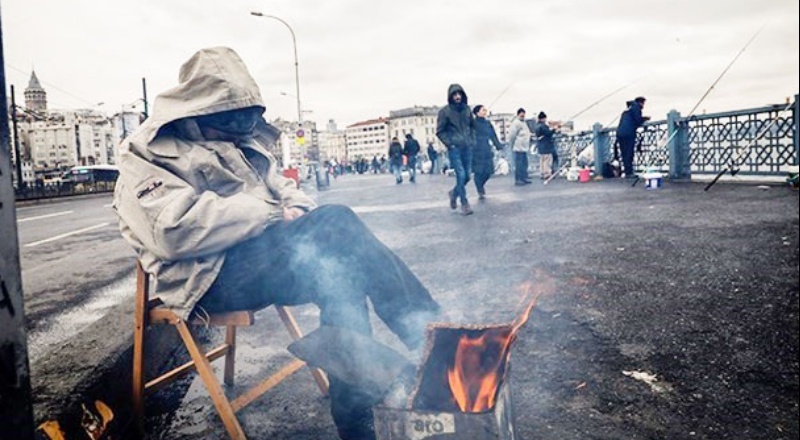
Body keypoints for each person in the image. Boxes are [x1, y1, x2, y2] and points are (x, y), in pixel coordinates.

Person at [112, 47, 440, 440]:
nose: (238, 128)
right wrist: (268, 214)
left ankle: (356, 420)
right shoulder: (147, 153)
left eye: (244, 117)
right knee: (336, 224)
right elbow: (172, 228)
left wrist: (290, 212)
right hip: (209, 277)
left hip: (267, 260)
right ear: (199, 108)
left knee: (340, 275)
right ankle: (434, 341)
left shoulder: (242, 144)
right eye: (230, 117)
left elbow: (292, 195)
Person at [436, 84, 476, 216]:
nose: (457, 97)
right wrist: (450, 144)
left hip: (467, 147)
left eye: (459, 94)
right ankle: (464, 203)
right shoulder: (444, 112)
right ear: (450, 97)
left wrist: (472, 141)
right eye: (454, 95)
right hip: (455, 148)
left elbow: (473, 127)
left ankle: (454, 193)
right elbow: (440, 131)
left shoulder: (467, 110)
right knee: (461, 175)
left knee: (467, 176)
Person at [471, 104, 504, 200]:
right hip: (476, 150)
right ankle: (480, 189)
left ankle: (481, 184)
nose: (485, 112)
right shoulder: (473, 123)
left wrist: (498, 145)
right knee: (479, 171)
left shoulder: (487, 123)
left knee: (488, 171)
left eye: (485, 110)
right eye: (483, 110)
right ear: (477, 113)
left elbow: (493, 135)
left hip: (486, 148)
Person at [616, 96, 650, 178]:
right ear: (640, 102)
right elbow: (637, 120)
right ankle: (629, 173)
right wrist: (645, 119)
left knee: (624, 153)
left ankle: (627, 172)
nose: (643, 106)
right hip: (628, 133)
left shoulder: (627, 111)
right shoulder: (636, 108)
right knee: (629, 153)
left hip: (620, 133)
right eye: (643, 103)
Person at [508, 108, 532, 186]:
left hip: (524, 147)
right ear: (518, 114)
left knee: (524, 164)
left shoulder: (524, 123)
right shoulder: (516, 123)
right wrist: (512, 145)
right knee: (519, 164)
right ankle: (518, 179)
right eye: (521, 115)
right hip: (518, 147)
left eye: (524, 115)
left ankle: (524, 177)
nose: (523, 117)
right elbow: (512, 135)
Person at [534, 111, 559, 180]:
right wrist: (554, 129)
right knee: (547, 160)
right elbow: (549, 133)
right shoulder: (543, 126)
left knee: (542, 160)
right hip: (547, 146)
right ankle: (547, 174)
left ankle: (542, 173)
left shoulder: (537, 126)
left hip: (540, 146)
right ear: (543, 118)